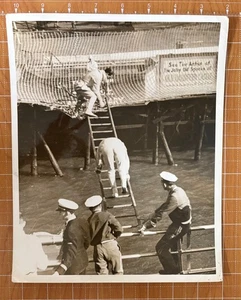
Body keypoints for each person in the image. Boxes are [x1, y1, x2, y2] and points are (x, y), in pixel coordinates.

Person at [139, 171, 192, 274]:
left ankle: (172, 272)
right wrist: (152, 214)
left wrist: (146, 226)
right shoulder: (178, 190)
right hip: (182, 223)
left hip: (180, 226)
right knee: (173, 247)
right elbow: (166, 205)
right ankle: (176, 268)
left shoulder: (174, 197)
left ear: (164, 184)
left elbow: (162, 214)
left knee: (160, 248)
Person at [85, 195, 123, 275]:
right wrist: (114, 236)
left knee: (102, 275)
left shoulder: (89, 220)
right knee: (118, 272)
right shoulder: (107, 215)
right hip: (110, 244)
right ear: (100, 205)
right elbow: (119, 228)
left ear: (90, 208)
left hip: (98, 248)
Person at [53, 198, 90, 275]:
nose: (59, 213)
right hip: (83, 261)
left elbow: (71, 252)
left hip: (73, 267)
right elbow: (87, 240)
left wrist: (60, 270)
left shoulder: (71, 229)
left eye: (61, 211)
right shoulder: (81, 220)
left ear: (67, 212)